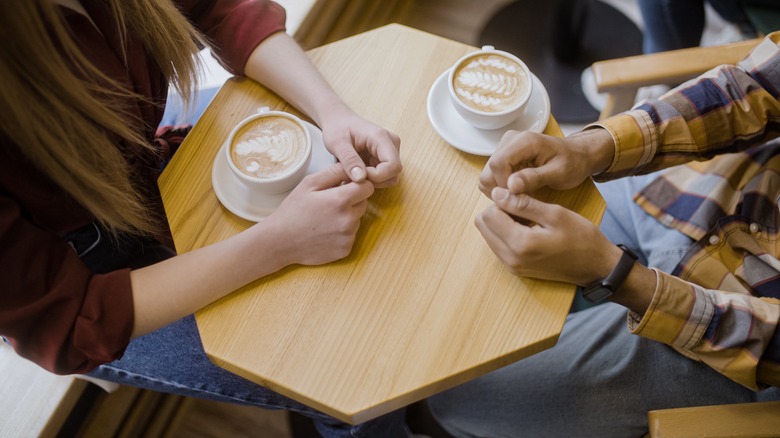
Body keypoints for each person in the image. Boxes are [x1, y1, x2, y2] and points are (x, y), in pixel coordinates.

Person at [0, 1, 407, 437]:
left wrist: (333, 113)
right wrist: (279, 242)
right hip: (79, 282)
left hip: (140, 172)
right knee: (346, 382)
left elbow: (219, 9)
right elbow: (67, 319)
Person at [426, 31, 780, 437]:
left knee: (455, 399)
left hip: (739, 336)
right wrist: (593, 148)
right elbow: (754, 89)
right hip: (708, 188)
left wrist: (616, 276)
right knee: (466, 238)